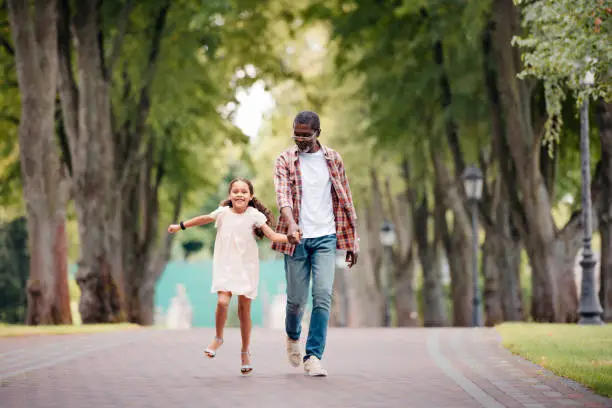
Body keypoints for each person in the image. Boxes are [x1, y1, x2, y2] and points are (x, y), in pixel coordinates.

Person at [168, 177, 299, 375]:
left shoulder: (254, 215)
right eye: (235, 191)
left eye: (244, 191)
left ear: (250, 196)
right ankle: (218, 338)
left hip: (246, 267)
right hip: (225, 265)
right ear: (230, 195)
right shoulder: (222, 213)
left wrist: (291, 238)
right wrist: (181, 226)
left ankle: (245, 351)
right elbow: (203, 218)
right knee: (222, 302)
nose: (239, 194)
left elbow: (272, 236)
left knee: (244, 311)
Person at [273, 110, 359, 377]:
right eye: (296, 134)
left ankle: (313, 356)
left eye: (305, 135)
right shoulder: (285, 159)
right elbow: (282, 195)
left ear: (317, 133)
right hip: (296, 238)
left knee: (322, 297)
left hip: (326, 236)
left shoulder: (333, 159)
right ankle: (292, 334)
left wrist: (353, 241)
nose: (299, 139)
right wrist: (291, 223)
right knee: (296, 300)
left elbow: (346, 198)